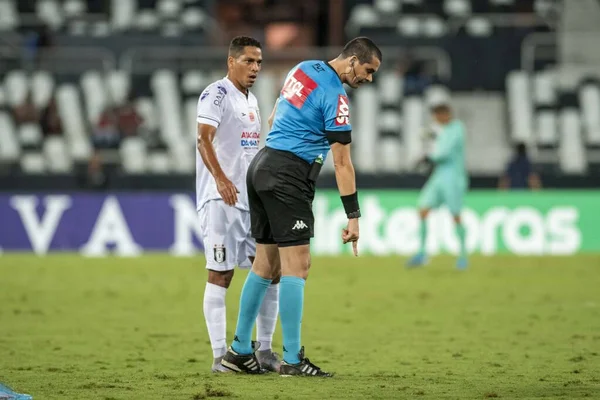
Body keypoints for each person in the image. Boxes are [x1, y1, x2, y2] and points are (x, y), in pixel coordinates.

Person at [220, 37, 382, 376]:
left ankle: (237, 351)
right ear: (353, 60)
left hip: (262, 166)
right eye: (368, 71)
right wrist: (353, 217)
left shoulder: (304, 68)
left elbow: (276, 114)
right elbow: (342, 163)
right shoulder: (336, 97)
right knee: (299, 265)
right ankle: (292, 360)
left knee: (265, 266)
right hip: (288, 176)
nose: (368, 79)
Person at [195, 36, 281, 373]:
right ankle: (220, 356)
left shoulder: (252, 100)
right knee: (221, 273)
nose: (255, 68)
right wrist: (220, 178)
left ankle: (264, 350)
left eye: (259, 62)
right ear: (232, 61)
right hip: (220, 199)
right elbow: (203, 138)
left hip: (250, 199)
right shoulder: (215, 94)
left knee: (269, 271)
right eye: (249, 61)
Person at [407, 101, 469, 270]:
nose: (435, 119)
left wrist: (426, 156)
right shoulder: (441, 130)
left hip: (453, 178)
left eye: (437, 115)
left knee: (456, 215)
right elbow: (432, 138)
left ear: (446, 114)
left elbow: (444, 152)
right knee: (423, 209)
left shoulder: (457, 129)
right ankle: (421, 253)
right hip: (439, 176)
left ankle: (463, 256)